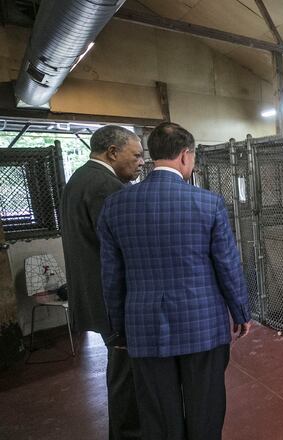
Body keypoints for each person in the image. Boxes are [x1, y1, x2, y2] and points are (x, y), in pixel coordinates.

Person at [97, 122, 251, 440]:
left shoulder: (115, 206)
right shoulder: (208, 204)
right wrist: (240, 311)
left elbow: (111, 277)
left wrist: (118, 328)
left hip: (144, 326)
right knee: (205, 407)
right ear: (185, 156)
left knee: (157, 413)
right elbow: (227, 265)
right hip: (202, 325)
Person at [60, 125, 144, 439]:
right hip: (112, 299)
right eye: (135, 155)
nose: (140, 162)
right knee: (127, 374)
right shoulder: (104, 186)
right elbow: (125, 246)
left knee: (124, 368)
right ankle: (129, 433)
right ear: (112, 152)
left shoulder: (80, 178)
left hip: (93, 292)